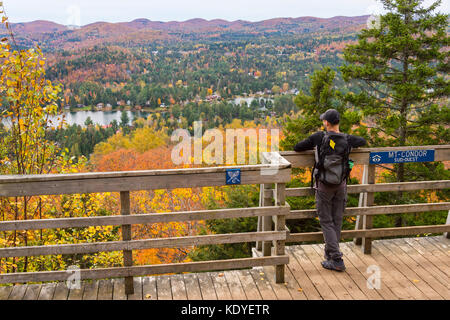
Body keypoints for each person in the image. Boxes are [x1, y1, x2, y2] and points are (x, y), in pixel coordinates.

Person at [293, 109, 366, 271]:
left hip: (324, 185)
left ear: (326, 123)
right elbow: (363, 141)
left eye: (324, 121)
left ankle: (336, 259)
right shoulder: (347, 139)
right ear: (338, 122)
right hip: (341, 184)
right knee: (336, 220)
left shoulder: (319, 137)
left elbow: (297, 147)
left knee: (326, 221)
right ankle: (330, 255)